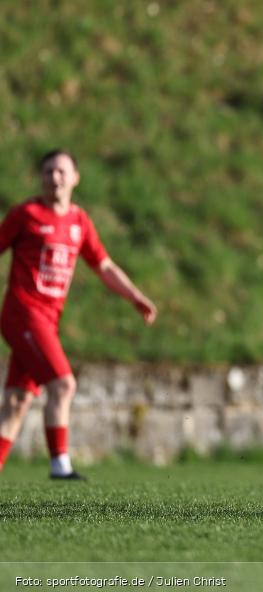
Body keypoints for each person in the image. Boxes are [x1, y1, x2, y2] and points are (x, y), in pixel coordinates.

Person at [0, 150, 157, 479]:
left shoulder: (79, 222)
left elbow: (104, 265)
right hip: (23, 314)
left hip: (47, 321)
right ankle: (60, 467)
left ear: (75, 178)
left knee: (17, 401)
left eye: (61, 172)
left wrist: (134, 296)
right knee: (63, 384)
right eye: (48, 172)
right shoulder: (26, 214)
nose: (54, 178)